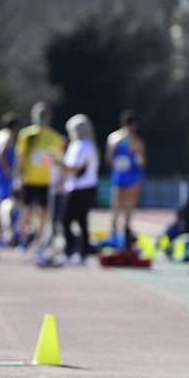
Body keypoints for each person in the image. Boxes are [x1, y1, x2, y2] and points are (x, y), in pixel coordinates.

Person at [14, 102, 63, 252]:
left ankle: (38, 241)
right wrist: (18, 177)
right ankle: (23, 239)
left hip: (45, 180)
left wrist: (57, 174)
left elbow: (58, 158)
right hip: (29, 179)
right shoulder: (26, 135)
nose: (42, 118)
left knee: (43, 212)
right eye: (39, 114)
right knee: (26, 210)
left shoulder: (54, 136)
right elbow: (20, 157)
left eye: (45, 115)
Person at [55, 114, 99, 265]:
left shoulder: (82, 146)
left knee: (64, 221)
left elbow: (73, 168)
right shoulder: (88, 145)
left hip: (80, 188)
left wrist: (57, 161)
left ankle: (69, 250)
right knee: (81, 222)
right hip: (86, 187)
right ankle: (83, 253)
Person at [106, 109, 146, 249]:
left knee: (124, 207)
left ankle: (125, 235)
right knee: (118, 206)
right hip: (122, 177)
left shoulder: (116, 138)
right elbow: (110, 160)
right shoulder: (116, 139)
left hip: (129, 177)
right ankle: (113, 234)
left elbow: (141, 162)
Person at [0, 112, 20, 248]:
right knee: (6, 204)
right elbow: (1, 152)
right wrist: (7, 170)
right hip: (5, 175)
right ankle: (3, 233)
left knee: (0, 203)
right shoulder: (7, 136)